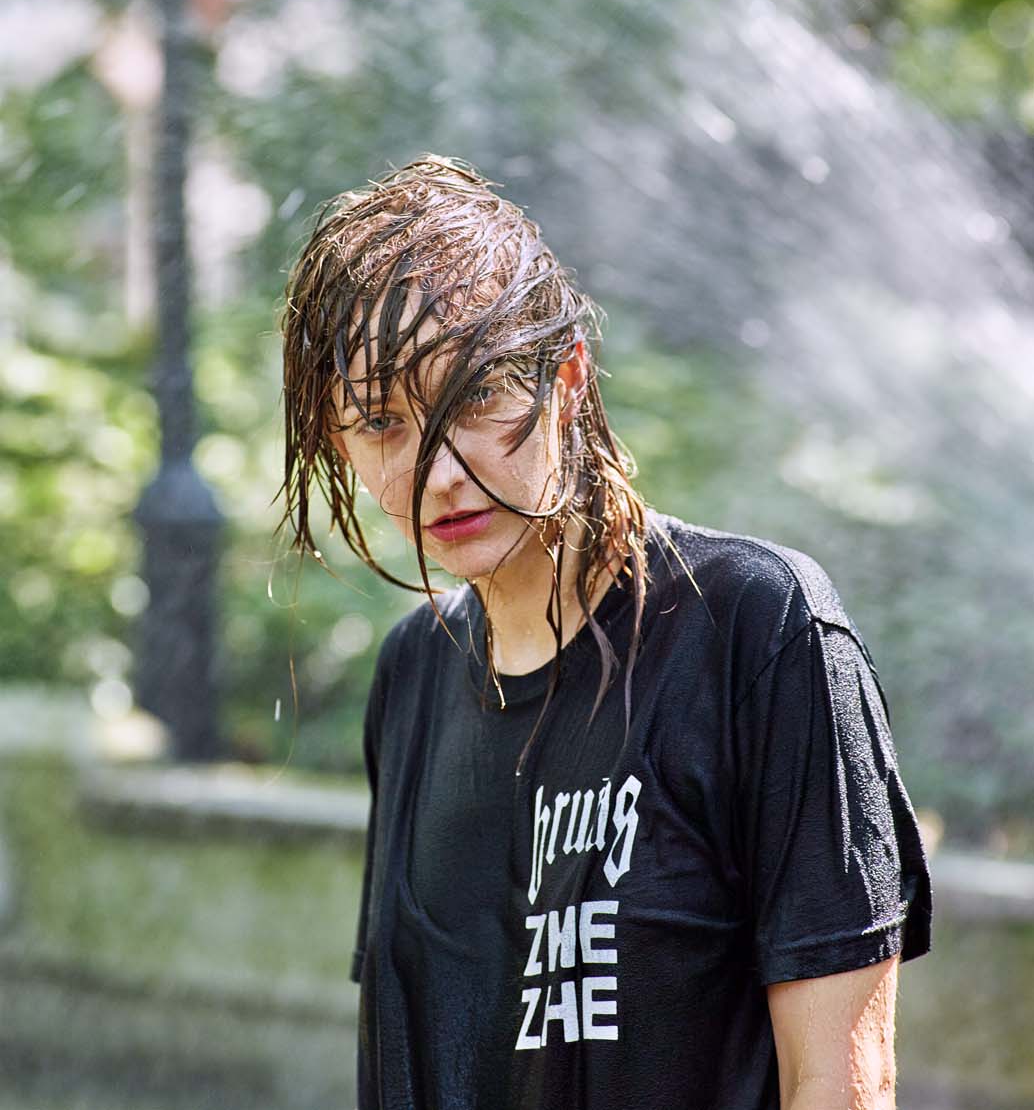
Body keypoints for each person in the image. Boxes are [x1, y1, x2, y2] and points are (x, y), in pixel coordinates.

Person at [280, 154, 932, 1110]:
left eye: (476, 394)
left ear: (569, 375)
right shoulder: (413, 671)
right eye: (381, 420)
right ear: (341, 441)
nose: (439, 472)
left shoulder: (755, 628)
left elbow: (841, 1083)